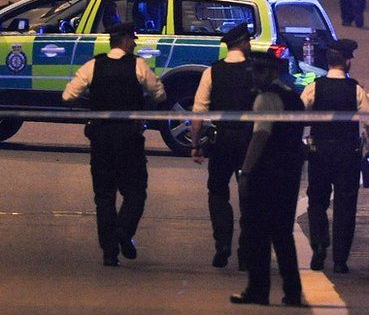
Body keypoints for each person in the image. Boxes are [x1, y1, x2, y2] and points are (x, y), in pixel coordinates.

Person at [62, 22, 167, 267]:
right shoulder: (138, 65)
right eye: (133, 39)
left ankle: (109, 252)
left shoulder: (93, 65)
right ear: (125, 41)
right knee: (135, 191)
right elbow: (159, 94)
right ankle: (123, 231)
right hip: (130, 138)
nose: (135, 43)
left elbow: (68, 96)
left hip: (101, 138)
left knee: (104, 196)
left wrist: (92, 108)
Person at [230, 51, 308, 307]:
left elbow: (260, 137)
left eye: (259, 71)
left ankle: (258, 290)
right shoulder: (294, 99)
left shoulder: (265, 99)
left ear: (272, 72)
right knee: (283, 236)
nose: (255, 75)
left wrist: (246, 171)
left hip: (265, 175)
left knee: (257, 234)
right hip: (288, 174)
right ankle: (293, 292)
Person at [301, 38, 369, 274]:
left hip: (320, 152)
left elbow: (298, 113)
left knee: (317, 200)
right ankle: (341, 259)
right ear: (346, 61)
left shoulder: (314, 87)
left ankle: (319, 245)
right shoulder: (356, 89)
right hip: (347, 153)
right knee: (345, 205)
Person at [190, 23, 255, 269]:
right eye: (247, 41)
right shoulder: (254, 71)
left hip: (221, 140)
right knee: (249, 196)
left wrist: (195, 145)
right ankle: (246, 252)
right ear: (241, 43)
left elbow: (198, 112)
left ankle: (223, 243)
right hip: (249, 140)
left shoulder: (212, 72)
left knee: (218, 192)